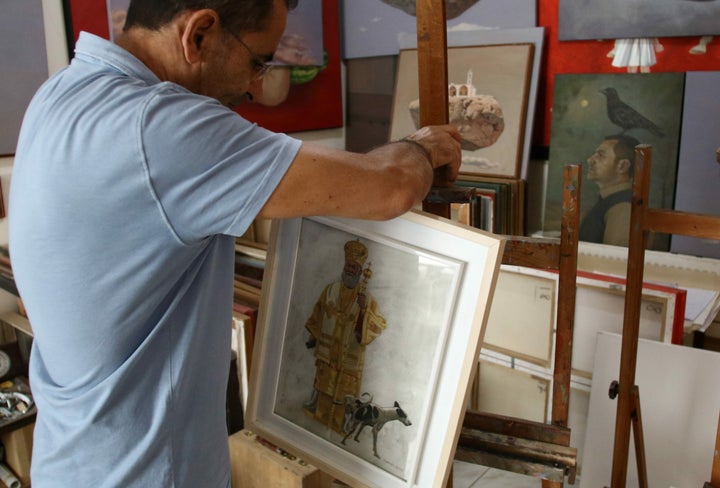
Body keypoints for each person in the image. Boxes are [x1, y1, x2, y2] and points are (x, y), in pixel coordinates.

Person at [7, 0, 462, 486]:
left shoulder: (62, 91)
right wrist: (423, 147)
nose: (255, 85)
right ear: (199, 34)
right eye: (257, 60)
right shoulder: (160, 127)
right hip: (147, 472)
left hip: (71, 459)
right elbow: (389, 185)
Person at [303, 239, 386, 434]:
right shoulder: (330, 290)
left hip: (349, 354)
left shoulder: (366, 298)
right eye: (348, 265)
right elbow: (318, 312)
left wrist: (364, 309)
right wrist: (313, 336)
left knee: (345, 392)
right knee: (324, 381)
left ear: (359, 271)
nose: (350, 270)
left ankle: (346, 423)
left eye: (354, 267)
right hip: (329, 350)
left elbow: (379, 324)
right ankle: (316, 409)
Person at [579, 134, 639, 247]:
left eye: (600, 155)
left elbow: (616, 259)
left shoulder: (623, 207)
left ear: (623, 166)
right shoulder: (609, 200)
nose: (590, 160)